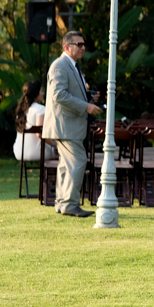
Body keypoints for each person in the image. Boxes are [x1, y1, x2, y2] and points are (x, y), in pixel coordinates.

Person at [42, 32, 102, 218]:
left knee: (66, 165)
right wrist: (86, 106)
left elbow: (69, 93)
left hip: (69, 124)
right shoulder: (59, 65)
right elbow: (58, 94)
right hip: (66, 125)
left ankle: (62, 202)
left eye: (84, 44)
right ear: (66, 47)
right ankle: (70, 203)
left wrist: (89, 97)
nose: (83, 47)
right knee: (78, 161)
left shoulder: (71, 66)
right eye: (79, 44)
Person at [13, 81, 57, 162]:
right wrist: (54, 144)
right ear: (35, 94)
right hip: (37, 152)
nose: (43, 93)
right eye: (41, 91)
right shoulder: (40, 109)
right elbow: (39, 133)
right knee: (60, 152)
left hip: (19, 151)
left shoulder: (21, 110)